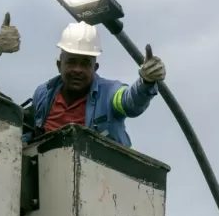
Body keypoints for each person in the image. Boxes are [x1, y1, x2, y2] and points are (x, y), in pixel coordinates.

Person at [22, 21, 166, 148]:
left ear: (95, 68)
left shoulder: (109, 94)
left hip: (108, 175)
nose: (77, 70)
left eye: (85, 63)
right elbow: (29, 131)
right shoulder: (43, 94)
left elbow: (130, 101)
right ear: (59, 65)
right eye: (71, 62)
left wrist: (146, 82)